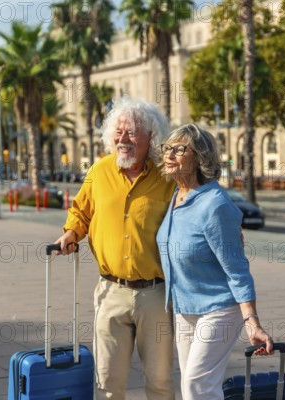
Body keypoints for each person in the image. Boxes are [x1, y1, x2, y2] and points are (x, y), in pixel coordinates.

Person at [56, 97, 176, 399]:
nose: (123, 139)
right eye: (118, 132)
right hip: (111, 292)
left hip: (157, 295)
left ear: (151, 137)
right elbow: (81, 211)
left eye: (132, 132)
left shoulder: (168, 177)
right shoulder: (100, 171)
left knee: (160, 382)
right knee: (107, 384)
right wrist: (71, 233)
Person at [156, 124, 273, 400]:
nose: (170, 155)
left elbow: (237, 269)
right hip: (185, 309)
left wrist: (252, 322)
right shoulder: (177, 196)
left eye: (180, 149)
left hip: (219, 309)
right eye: (168, 149)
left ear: (200, 157)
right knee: (193, 387)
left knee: (197, 387)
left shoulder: (214, 204)